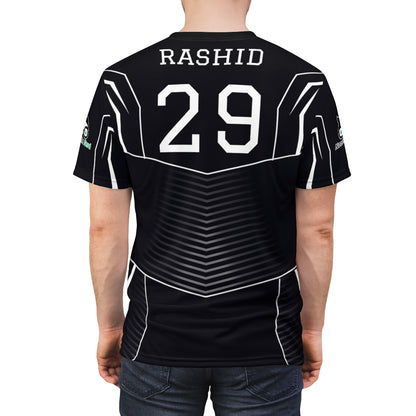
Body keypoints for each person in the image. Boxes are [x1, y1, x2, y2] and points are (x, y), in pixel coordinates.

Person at [73, 0, 351, 414]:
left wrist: (110, 326)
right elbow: (318, 229)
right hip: (267, 340)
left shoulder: (121, 84)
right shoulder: (304, 85)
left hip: (155, 336)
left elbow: (104, 228)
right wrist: (311, 329)